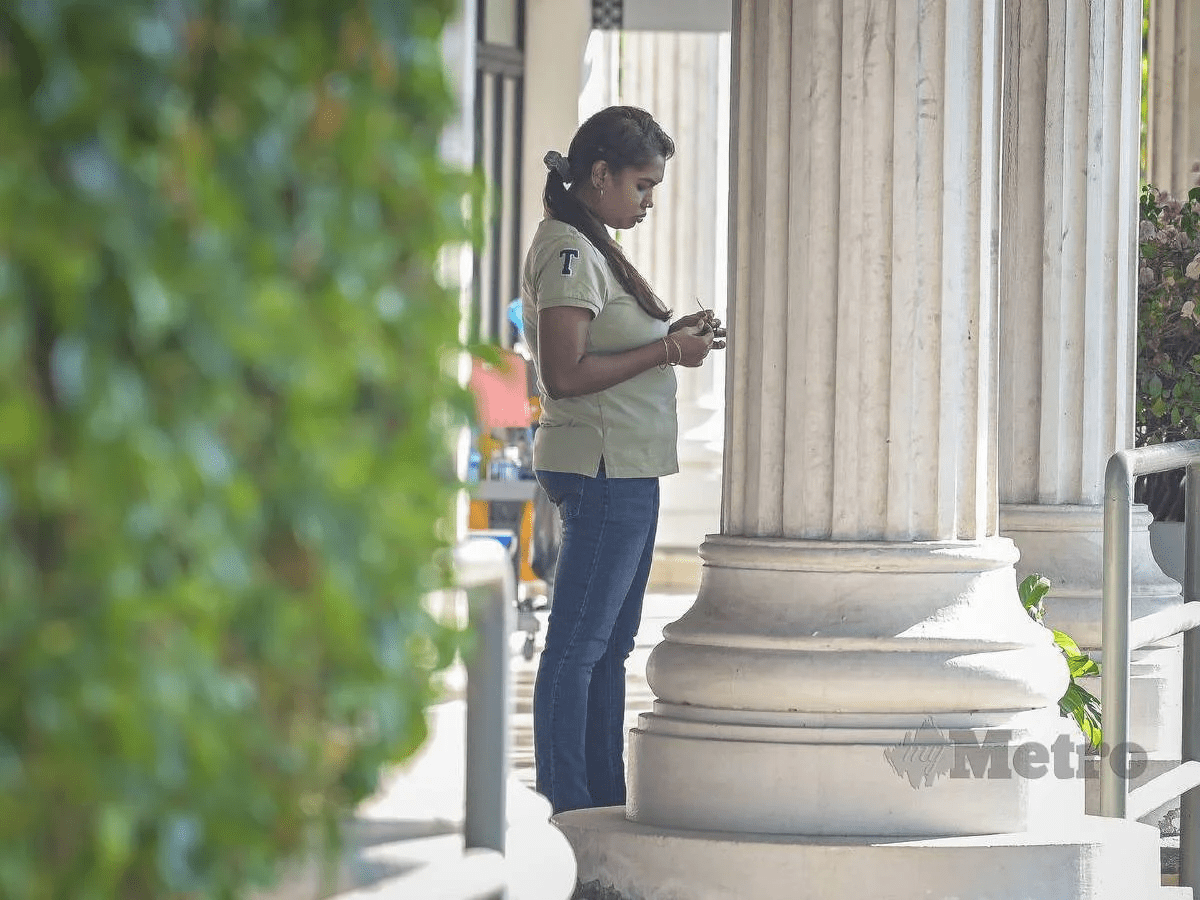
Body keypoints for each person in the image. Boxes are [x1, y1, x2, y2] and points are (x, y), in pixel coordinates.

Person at [521, 105, 726, 814]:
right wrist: (669, 348)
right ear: (599, 175)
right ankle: (568, 805)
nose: (648, 202)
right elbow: (566, 373)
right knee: (577, 649)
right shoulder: (570, 250)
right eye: (641, 185)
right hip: (603, 469)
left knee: (607, 648)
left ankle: (601, 801)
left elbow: (604, 345)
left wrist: (673, 334)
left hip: (628, 470)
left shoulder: (590, 242)